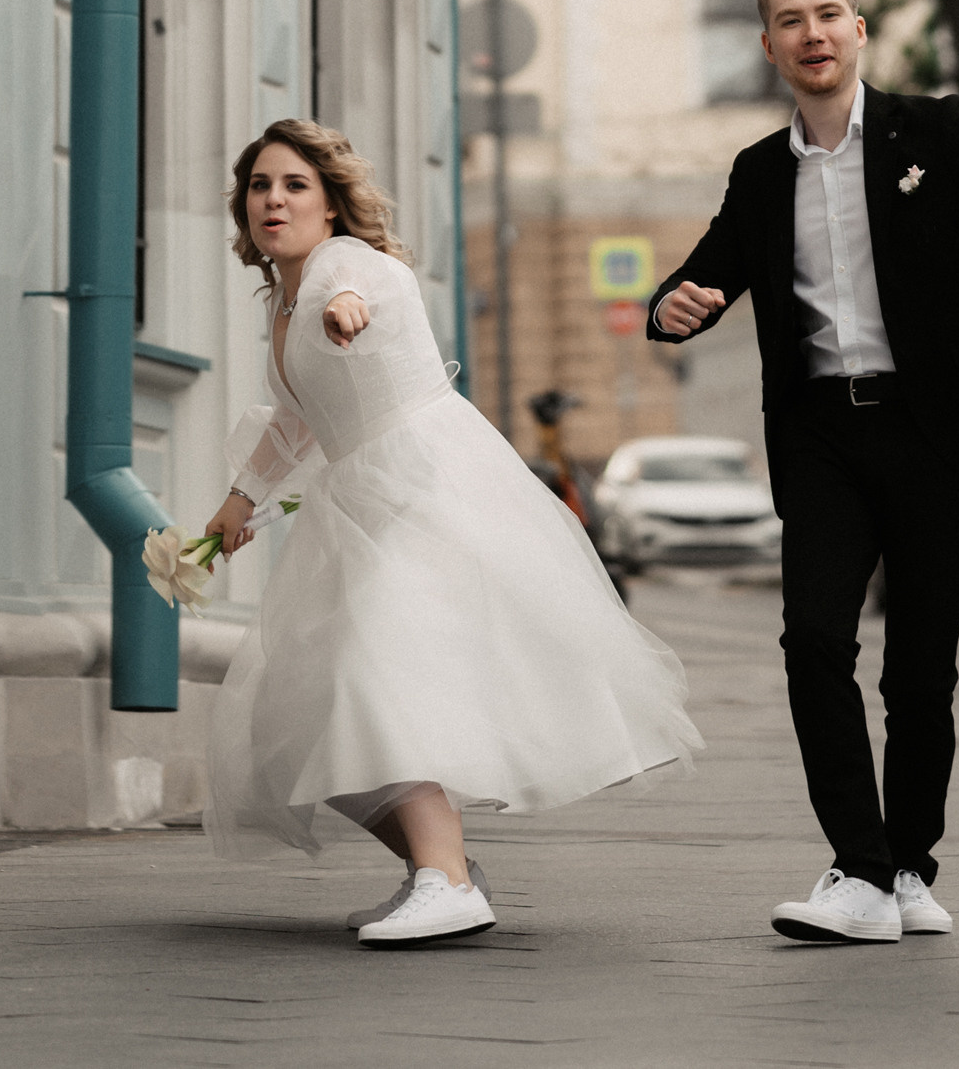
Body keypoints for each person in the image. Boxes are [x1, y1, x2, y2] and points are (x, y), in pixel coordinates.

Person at [648, 0, 959, 950]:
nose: (811, 33)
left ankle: (907, 865)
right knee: (813, 641)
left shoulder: (931, 132)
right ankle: (858, 866)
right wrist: (670, 304)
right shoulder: (760, 171)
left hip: (936, 433)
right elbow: (704, 276)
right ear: (769, 48)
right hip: (821, 437)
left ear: (857, 29)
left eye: (827, 14)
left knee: (919, 671)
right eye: (790, 20)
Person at [202, 118, 699, 945]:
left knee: (377, 672)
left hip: (420, 487)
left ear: (330, 206)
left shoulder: (344, 267)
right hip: (358, 497)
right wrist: (238, 499)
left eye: (294, 185)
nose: (273, 201)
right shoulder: (283, 302)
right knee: (304, 708)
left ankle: (447, 882)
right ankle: (441, 870)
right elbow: (295, 419)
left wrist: (347, 311)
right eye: (259, 186)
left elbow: (360, 295)